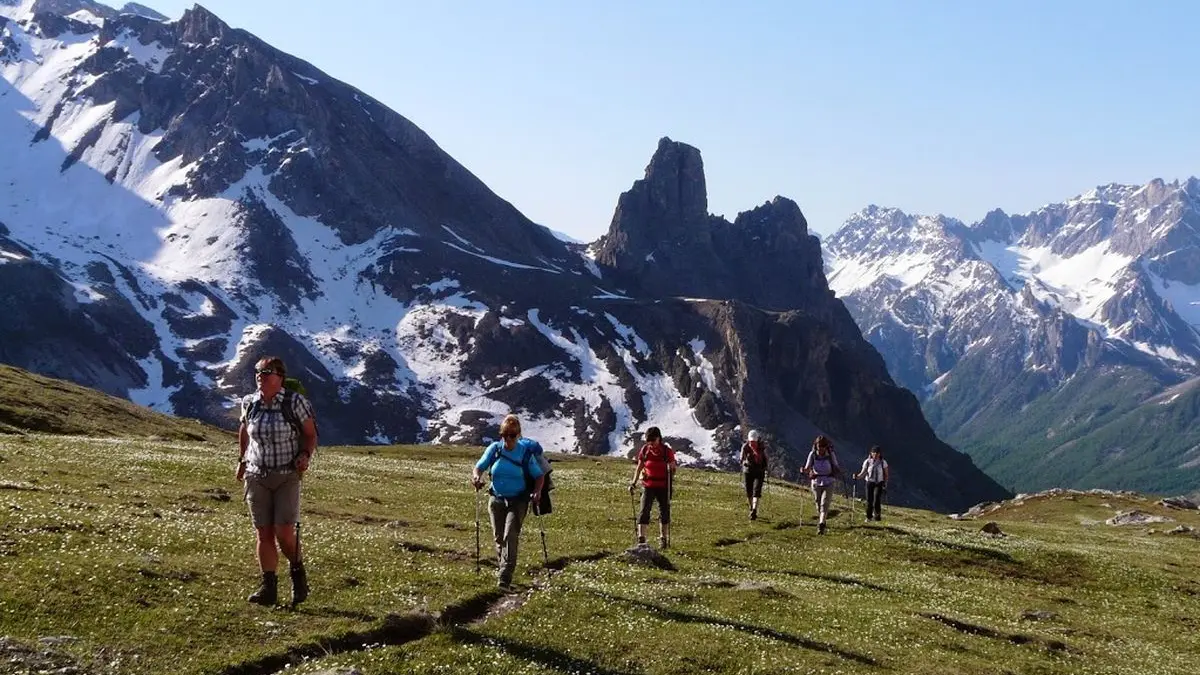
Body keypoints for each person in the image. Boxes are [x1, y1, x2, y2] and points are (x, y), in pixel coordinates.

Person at [237, 356, 317, 606]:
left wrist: (304, 455)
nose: (260, 376)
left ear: (280, 377)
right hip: (256, 474)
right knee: (264, 533)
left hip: (286, 475)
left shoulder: (295, 402)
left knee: (284, 532)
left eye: (267, 372)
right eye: (258, 372)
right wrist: (241, 460)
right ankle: (268, 587)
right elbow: (244, 430)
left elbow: (310, 434)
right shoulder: (250, 403)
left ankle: (297, 572)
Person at [471, 414, 546, 591]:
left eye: (512, 435)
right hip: (496, 498)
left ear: (518, 435)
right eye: (505, 434)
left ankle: (504, 577)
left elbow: (538, 475)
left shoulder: (525, 453)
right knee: (499, 538)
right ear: (501, 434)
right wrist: (476, 477)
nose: (508, 439)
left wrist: (537, 491)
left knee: (510, 535)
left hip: (518, 500)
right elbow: (479, 466)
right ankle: (504, 568)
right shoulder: (495, 449)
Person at [629, 426, 677, 548]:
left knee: (664, 512)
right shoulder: (645, 450)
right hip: (648, 485)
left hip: (664, 486)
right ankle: (642, 538)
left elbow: (673, 468)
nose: (651, 443)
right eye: (648, 441)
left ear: (659, 438)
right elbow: (639, 466)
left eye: (653, 440)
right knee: (644, 510)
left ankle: (663, 539)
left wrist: (671, 468)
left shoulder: (667, 451)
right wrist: (633, 482)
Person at [803, 435, 843, 535]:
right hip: (816, 482)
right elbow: (807, 467)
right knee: (818, 503)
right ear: (816, 446)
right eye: (819, 447)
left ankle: (821, 524)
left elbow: (835, 465)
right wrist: (804, 470)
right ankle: (822, 519)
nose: (820, 449)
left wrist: (838, 470)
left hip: (829, 481)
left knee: (824, 504)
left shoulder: (830, 454)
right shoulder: (812, 455)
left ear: (826, 447)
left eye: (822, 447)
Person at [853, 446, 889, 522]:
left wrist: (885, 483)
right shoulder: (867, 462)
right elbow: (863, 472)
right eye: (874, 452)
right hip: (869, 482)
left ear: (879, 454)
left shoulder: (883, 462)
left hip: (879, 483)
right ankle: (869, 517)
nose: (875, 454)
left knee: (876, 499)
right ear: (871, 453)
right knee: (869, 500)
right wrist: (857, 477)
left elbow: (886, 474)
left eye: (877, 453)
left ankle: (877, 516)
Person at [739, 429, 769, 520]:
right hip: (753, 471)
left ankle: (753, 509)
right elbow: (742, 459)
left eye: (754, 442)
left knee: (753, 491)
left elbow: (741, 459)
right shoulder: (750, 447)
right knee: (752, 491)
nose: (753, 443)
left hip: (754, 471)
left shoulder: (756, 447)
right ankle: (752, 509)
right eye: (752, 442)